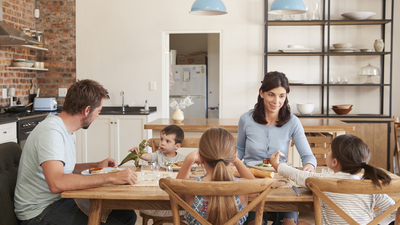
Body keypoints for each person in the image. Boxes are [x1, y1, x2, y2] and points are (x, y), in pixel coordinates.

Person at [14, 79, 138, 225]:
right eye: (98, 111)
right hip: (39, 213)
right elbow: (57, 182)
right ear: (86, 110)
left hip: (59, 201)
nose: (98, 115)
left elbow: (65, 169)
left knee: (126, 216)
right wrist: (110, 177)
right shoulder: (51, 132)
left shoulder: (64, 129)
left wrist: (97, 165)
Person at [237, 71, 317, 225]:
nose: (276, 101)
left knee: (289, 223)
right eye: (271, 95)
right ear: (262, 93)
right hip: (251, 179)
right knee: (255, 223)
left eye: (282, 96)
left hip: (283, 180)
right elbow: (239, 149)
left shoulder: (292, 121)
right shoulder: (246, 119)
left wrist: (309, 165)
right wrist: (230, 161)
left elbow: (308, 156)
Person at [269, 134, 396, 225]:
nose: (327, 153)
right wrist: (374, 222)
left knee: (301, 223)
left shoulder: (323, 180)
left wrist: (277, 165)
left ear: (334, 161)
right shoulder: (371, 186)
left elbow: (298, 175)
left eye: (329, 151)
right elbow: (393, 212)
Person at [176, 127, 256, 225]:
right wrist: (236, 160)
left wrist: (189, 159)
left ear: (200, 157)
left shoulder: (189, 185)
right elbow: (257, 187)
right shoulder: (245, 186)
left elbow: (176, 190)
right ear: (234, 156)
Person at [129, 124, 186, 218]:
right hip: (158, 192)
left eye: (168, 141)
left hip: (173, 193)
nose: (162, 143)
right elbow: (147, 156)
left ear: (177, 146)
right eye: (162, 139)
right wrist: (139, 153)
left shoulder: (182, 159)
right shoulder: (157, 155)